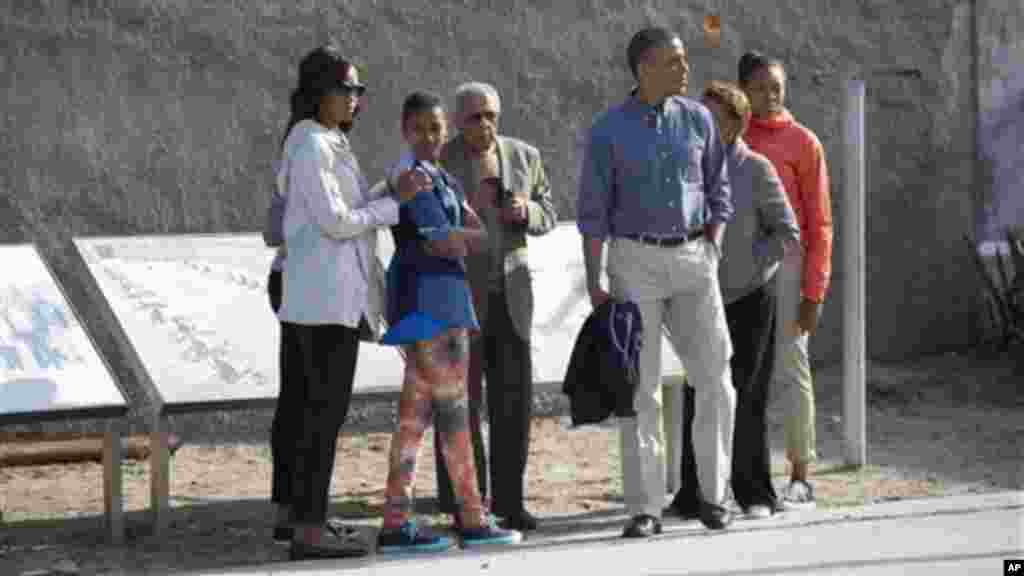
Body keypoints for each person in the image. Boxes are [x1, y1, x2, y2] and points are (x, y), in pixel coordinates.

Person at [577, 27, 736, 537]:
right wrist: (593, 279)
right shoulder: (607, 129)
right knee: (640, 390)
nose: (685, 69)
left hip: (694, 258)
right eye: (674, 61)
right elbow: (593, 212)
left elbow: (719, 188)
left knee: (715, 378)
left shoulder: (698, 120)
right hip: (634, 261)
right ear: (643, 69)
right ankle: (645, 509)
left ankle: (714, 497)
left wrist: (714, 243)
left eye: (684, 59)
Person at [274, 43, 426, 561]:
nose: (356, 100)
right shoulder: (312, 144)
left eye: (359, 91)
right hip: (322, 302)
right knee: (319, 414)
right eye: (347, 90)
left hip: (329, 299)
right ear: (320, 92)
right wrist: (392, 207)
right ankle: (308, 530)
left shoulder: (325, 141)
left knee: (308, 413)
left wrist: (388, 193)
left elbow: (352, 208)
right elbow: (337, 221)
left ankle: (303, 517)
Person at [376, 91, 522, 553]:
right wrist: (465, 233)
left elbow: (468, 232)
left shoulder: (436, 177)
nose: (430, 137)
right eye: (420, 128)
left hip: (432, 305)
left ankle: (397, 521)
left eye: (436, 128)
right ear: (404, 130)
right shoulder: (413, 178)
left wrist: (464, 233)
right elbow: (448, 239)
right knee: (456, 416)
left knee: (414, 420)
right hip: (436, 304)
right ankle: (473, 517)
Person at [670, 81, 800, 520]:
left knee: (744, 394)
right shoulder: (687, 167)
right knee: (697, 393)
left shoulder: (756, 168)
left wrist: (752, 270)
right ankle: (695, 495)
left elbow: (787, 231)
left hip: (748, 299)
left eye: (714, 117)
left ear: (737, 123)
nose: (702, 124)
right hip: (697, 295)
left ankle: (755, 493)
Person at [437, 81, 557, 532]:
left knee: (513, 405)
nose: (484, 124)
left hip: (513, 298)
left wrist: (528, 211)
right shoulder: (441, 160)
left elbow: (550, 211)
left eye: (491, 115)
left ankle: (511, 501)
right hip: (459, 299)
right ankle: (464, 505)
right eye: (474, 117)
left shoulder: (525, 155)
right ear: (457, 120)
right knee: (460, 406)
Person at [739, 51, 833, 510]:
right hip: (740, 265)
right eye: (759, 88)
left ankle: (800, 474)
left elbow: (819, 223)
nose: (770, 96)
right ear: (744, 92)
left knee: (792, 367)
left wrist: (814, 290)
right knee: (739, 372)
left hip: (790, 267)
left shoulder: (803, 143)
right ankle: (733, 474)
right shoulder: (733, 137)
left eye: (776, 86)